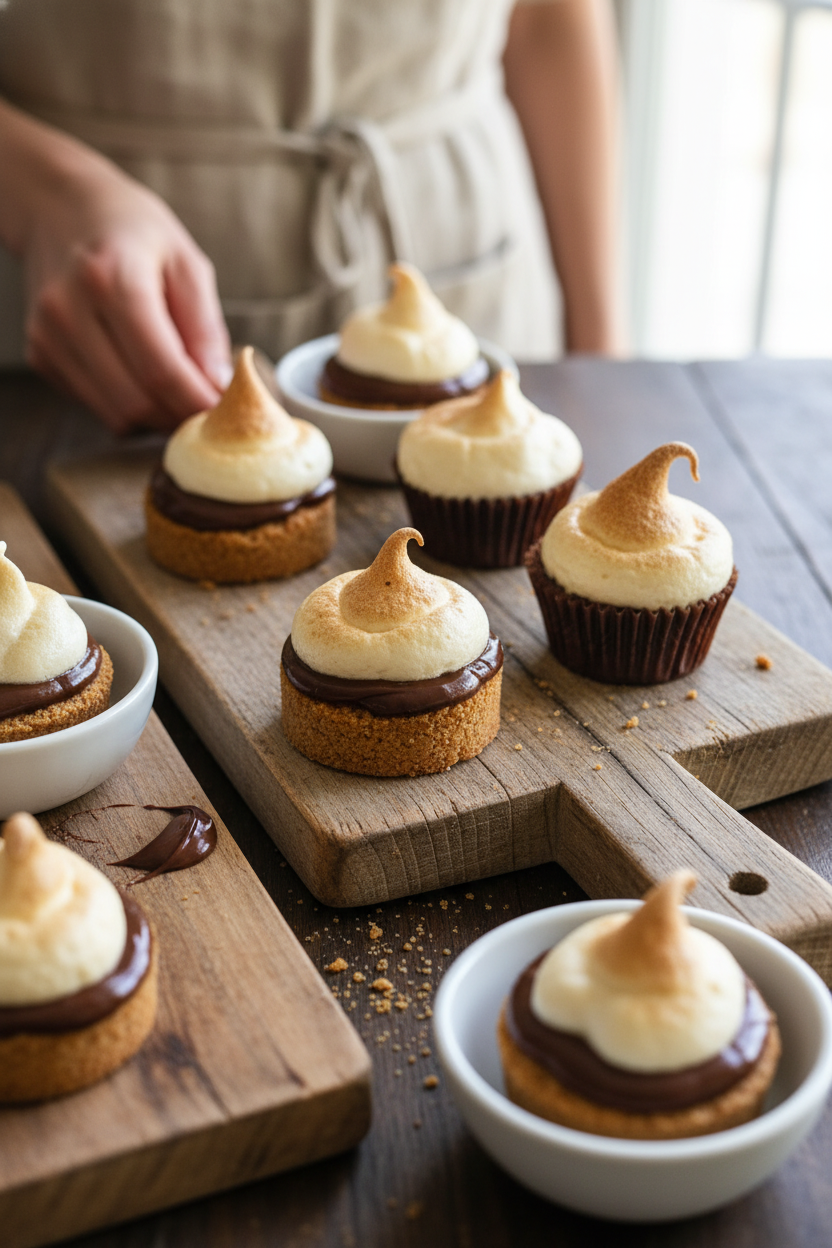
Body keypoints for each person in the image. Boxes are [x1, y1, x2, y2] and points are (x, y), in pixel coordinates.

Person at [0, 0, 621, 434]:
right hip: (80, 334)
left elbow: (548, 15)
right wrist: (48, 192)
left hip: (473, 271)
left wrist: (600, 361)